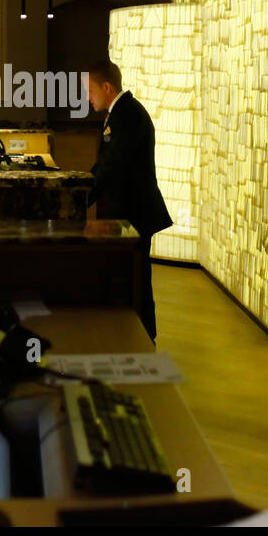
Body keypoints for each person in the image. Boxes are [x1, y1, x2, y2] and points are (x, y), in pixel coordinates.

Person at [84, 59, 173, 342]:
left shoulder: (126, 115)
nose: (87, 98)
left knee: (137, 278)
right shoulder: (122, 112)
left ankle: (144, 334)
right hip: (130, 210)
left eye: (90, 90)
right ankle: (138, 333)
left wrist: (82, 197)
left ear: (106, 87)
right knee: (133, 274)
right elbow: (106, 164)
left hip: (134, 211)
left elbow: (113, 167)